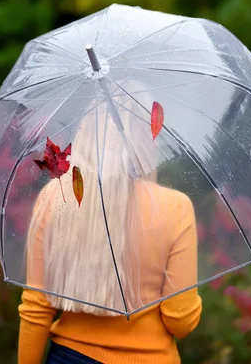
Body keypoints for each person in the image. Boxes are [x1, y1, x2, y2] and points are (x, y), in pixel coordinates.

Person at [18, 97, 202, 364]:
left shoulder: (55, 199)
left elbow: (36, 308)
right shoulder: (175, 208)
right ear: (146, 136)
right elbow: (181, 321)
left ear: (85, 132)